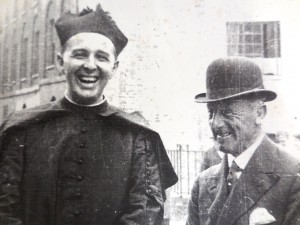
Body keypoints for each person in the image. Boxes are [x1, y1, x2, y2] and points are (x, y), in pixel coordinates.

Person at [0, 5, 177, 225]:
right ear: (59, 62)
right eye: (80, 55)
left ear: (114, 67)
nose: (90, 65)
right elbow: (5, 211)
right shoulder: (21, 131)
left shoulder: (137, 138)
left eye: (102, 57)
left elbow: (144, 214)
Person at [186, 57, 300, 225]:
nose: (215, 123)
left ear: (259, 113)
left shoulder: (292, 177)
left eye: (227, 112)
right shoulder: (202, 183)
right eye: (211, 112)